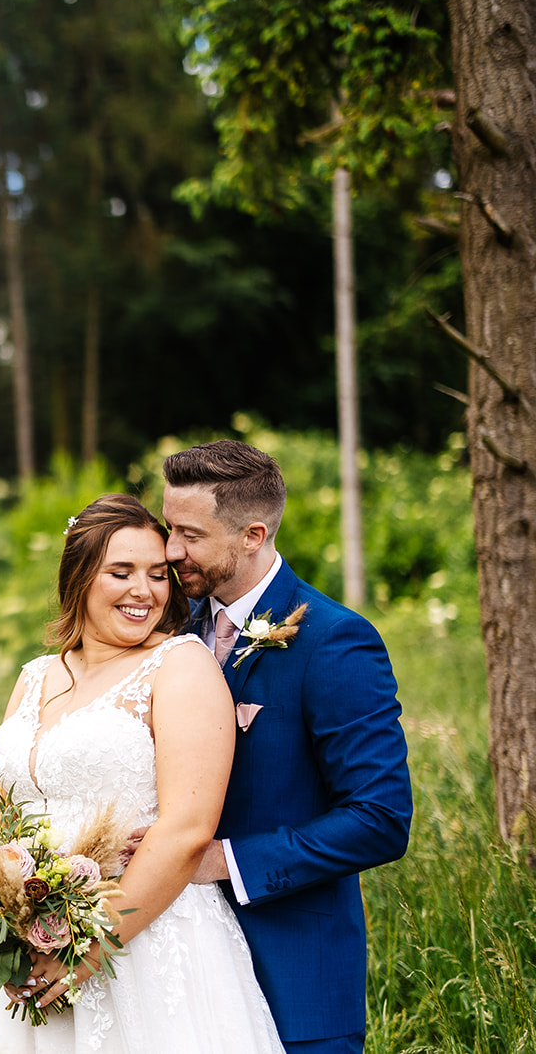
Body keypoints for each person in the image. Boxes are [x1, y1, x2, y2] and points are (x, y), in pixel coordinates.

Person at [0, 493, 285, 1054]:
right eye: (120, 572)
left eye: (157, 574)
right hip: (39, 951)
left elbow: (188, 828)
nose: (143, 591)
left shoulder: (180, 664)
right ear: (78, 577)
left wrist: (87, 950)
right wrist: (0, 916)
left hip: (146, 942)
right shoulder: (35, 676)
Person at [159, 440, 411, 1054]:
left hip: (293, 976)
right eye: (169, 527)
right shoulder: (167, 630)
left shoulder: (335, 641)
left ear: (251, 534)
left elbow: (379, 820)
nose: (170, 551)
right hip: (173, 971)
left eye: (189, 535)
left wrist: (226, 862)